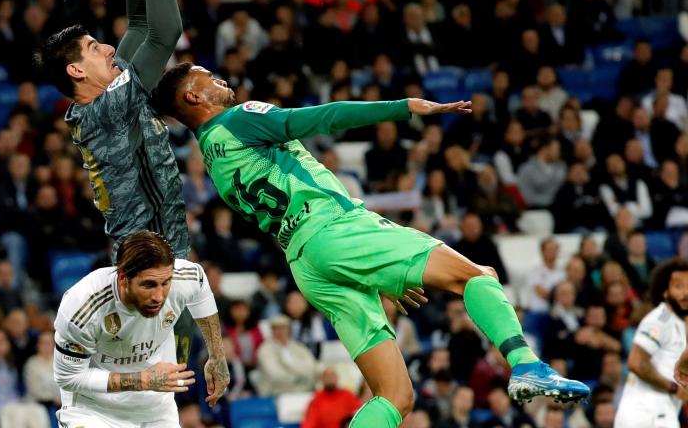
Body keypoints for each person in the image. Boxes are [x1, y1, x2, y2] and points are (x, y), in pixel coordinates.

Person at [152, 65, 589, 427]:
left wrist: (372, 273)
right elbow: (322, 116)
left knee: (395, 398)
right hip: (336, 228)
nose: (221, 79)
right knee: (478, 275)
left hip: (305, 261)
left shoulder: (212, 155)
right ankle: (526, 364)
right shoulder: (237, 118)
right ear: (193, 96)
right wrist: (403, 108)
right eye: (208, 77)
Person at [34, 0, 194, 361]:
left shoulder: (109, 92)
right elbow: (167, 31)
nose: (108, 47)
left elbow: (141, 27)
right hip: (147, 268)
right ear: (77, 71)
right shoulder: (108, 107)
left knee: (177, 381)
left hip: (160, 256)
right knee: (166, 378)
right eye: (93, 48)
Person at [52, 230, 229, 427]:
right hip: (94, 412)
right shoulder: (83, 307)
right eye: (149, 285)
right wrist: (142, 380)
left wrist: (217, 356)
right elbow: (68, 378)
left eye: (165, 283)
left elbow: (201, 286)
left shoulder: (182, 278)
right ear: (123, 278)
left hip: (156, 411)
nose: (159, 296)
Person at [620, 258, 688, 427]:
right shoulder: (660, 319)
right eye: (679, 287)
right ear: (665, 292)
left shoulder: (676, 321)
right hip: (649, 413)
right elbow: (636, 362)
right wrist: (674, 388)